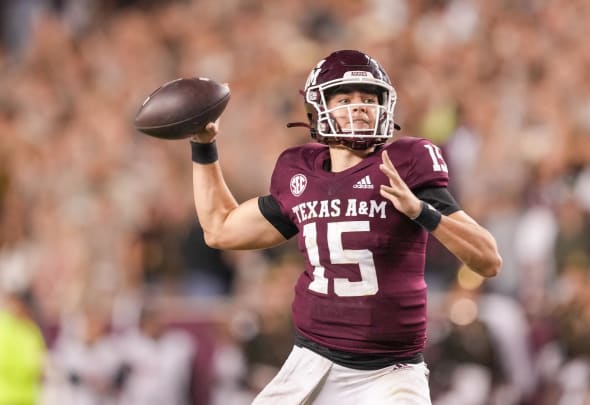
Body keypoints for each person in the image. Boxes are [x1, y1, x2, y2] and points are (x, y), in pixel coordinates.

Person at [186, 49, 502, 404]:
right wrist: (204, 146)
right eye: (345, 97)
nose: (360, 106)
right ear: (318, 107)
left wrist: (421, 211)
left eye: (369, 98)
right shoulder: (301, 173)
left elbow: (488, 259)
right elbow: (220, 229)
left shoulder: (405, 165)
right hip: (312, 362)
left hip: (390, 372)